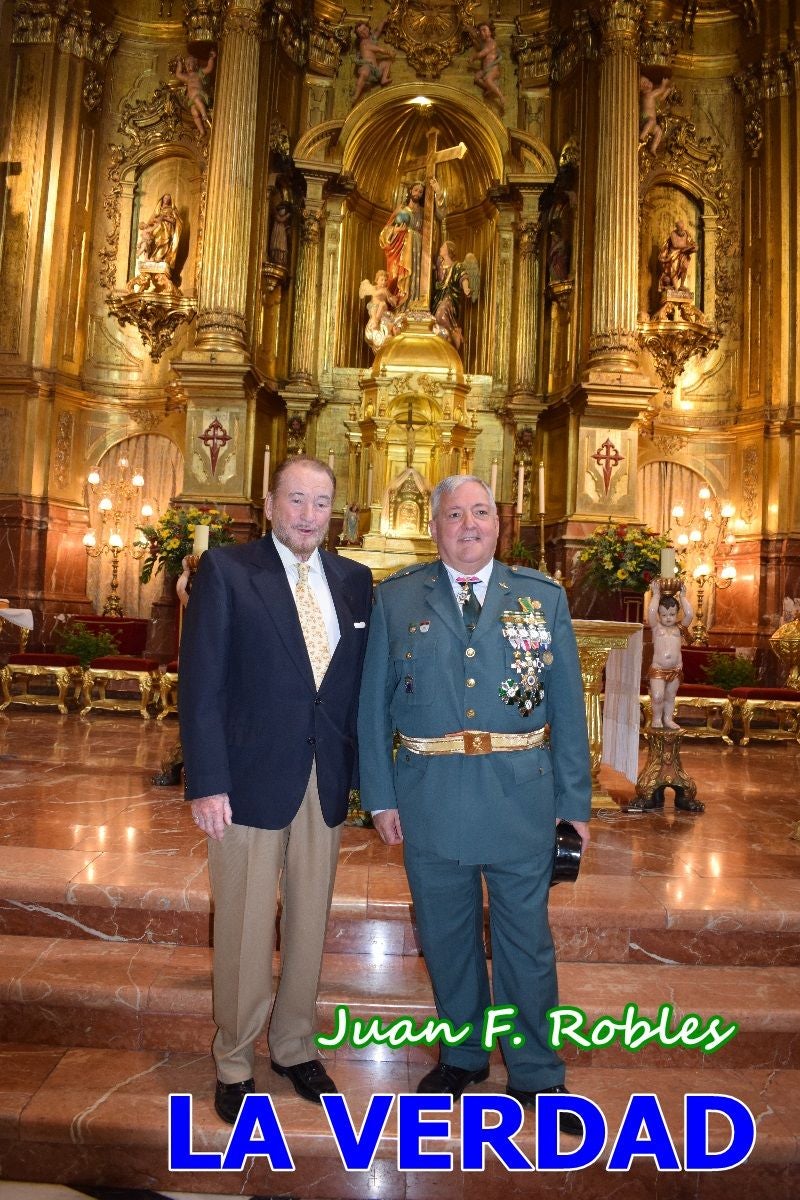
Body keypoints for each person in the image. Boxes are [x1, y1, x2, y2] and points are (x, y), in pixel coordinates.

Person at [357, 475, 591, 1134]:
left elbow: (569, 710)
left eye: (480, 512)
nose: (468, 524)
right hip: (428, 796)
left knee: (526, 943)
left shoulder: (542, 599)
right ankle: (462, 1053)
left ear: (498, 524)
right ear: (435, 527)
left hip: (521, 796)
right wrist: (378, 796)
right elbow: (372, 704)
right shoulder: (398, 598)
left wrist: (573, 804)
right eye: (454, 514)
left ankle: (537, 1072)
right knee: (447, 937)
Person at [179, 457, 373, 1124]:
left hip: (324, 781)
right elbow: (201, 685)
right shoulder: (230, 571)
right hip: (247, 779)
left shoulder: (354, 581)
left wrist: (366, 783)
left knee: (311, 922)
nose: (308, 515)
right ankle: (234, 1056)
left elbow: (352, 696)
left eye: (321, 503)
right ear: (270, 504)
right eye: (296, 500)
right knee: (244, 920)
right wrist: (207, 781)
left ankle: (294, 1045)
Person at [379, 179, 445, 309]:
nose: (418, 194)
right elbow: (384, 232)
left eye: (421, 192)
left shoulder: (424, 210)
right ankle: (402, 307)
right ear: (410, 191)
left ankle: (415, 305)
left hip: (419, 248)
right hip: (403, 249)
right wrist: (395, 230)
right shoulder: (401, 209)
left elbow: (441, 215)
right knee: (401, 276)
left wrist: (438, 191)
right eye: (415, 190)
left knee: (418, 276)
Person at [647, 580, 693, 729]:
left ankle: (667, 718)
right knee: (658, 696)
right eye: (664, 614)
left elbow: (690, 614)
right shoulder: (656, 628)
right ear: (660, 615)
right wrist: (656, 595)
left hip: (675, 669)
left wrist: (683, 597)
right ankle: (656, 718)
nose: (668, 617)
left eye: (672, 614)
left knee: (670, 696)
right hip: (658, 668)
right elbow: (651, 613)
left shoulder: (679, 628)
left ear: (677, 613)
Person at [432, 241, 479, 352]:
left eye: (443, 246)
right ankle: (447, 337)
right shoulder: (439, 265)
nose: (441, 248)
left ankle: (454, 333)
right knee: (435, 320)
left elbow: (463, 277)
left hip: (450, 297)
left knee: (441, 313)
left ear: (449, 250)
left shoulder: (457, 266)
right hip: (438, 298)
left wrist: (466, 288)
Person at [351, 21, 395, 105]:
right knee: (364, 73)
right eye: (360, 32)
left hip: (375, 69)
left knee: (386, 64)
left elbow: (378, 31)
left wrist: (384, 21)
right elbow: (378, 49)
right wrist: (389, 52)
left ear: (368, 28)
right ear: (359, 36)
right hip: (367, 65)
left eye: (364, 29)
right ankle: (355, 96)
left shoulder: (371, 39)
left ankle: (384, 79)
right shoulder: (364, 43)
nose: (363, 32)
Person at [174, 50, 217, 136]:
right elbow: (178, 74)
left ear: (195, 64)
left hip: (200, 95)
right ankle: (202, 131)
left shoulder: (199, 73)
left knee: (197, 100)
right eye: (187, 64)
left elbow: (209, 68)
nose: (189, 65)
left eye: (191, 63)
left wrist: (211, 58)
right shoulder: (187, 77)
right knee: (194, 113)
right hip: (192, 100)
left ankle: (204, 116)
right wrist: (179, 63)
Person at [359, 268, 397, 351]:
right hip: (374, 307)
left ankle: (375, 321)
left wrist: (390, 297)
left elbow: (391, 300)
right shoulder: (375, 288)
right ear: (377, 280)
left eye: (385, 280)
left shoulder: (386, 290)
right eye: (381, 280)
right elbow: (373, 297)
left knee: (382, 303)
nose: (384, 282)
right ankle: (375, 320)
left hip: (382, 308)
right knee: (374, 308)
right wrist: (382, 292)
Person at [471, 22, 505, 112]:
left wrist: (473, 57)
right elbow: (479, 46)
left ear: (490, 32)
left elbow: (483, 53)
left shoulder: (492, 43)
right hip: (485, 69)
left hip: (493, 68)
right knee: (477, 78)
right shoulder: (484, 43)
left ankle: (501, 97)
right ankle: (489, 88)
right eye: (481, 30)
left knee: (488, 80)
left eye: (484, 30)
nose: (482, 32)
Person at [658, 219, 697, 291]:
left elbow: (692, 242)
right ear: (677, 228)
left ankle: (682, 285)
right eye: (680, 228)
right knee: (674, 270)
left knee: (684, 268)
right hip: (674, 254)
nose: (682, 230)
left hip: (684, 254)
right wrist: (687, 246)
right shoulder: (673, 233)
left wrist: (694, 246)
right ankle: (676, 289)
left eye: (682, 227)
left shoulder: (686, 233)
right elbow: (675, 245)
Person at [639, 74, 672, 155]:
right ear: (641, 88)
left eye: (648, 81)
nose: (647, 83)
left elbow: (661, 98)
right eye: (644, 83)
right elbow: (660, 90)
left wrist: (667, 90)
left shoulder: (652, 96)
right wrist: (664, 83)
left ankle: (653, 149)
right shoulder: (649, 95)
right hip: (645, 119)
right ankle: (641, 137)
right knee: (650, 120)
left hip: (652, 123)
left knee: (659, 131)